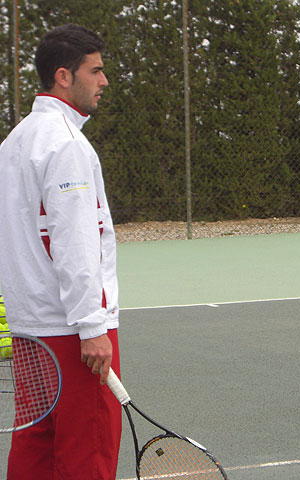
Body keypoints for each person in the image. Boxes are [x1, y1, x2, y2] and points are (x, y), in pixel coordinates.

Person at [0, 24, 122, 478]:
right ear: (64, 76)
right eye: (96, 70)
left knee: (35, 445)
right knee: (88, 450)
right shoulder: (67, 145)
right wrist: (92, 325)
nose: (104, 81)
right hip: (71, 331)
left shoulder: (14, 142)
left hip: (29, 328)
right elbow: (75, 240)